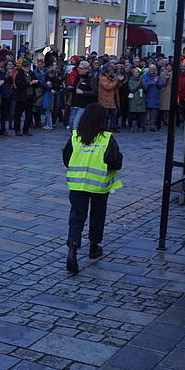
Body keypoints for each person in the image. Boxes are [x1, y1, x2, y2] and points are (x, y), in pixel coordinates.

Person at [63, 103, 123, 274]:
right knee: (97, 215)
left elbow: (66, 158)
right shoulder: (106, 138)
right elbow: (115, 162)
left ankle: (73, 246)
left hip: (77, 183)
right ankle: (94, 246)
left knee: (77, 216)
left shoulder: (75, 136)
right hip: (99, 184)